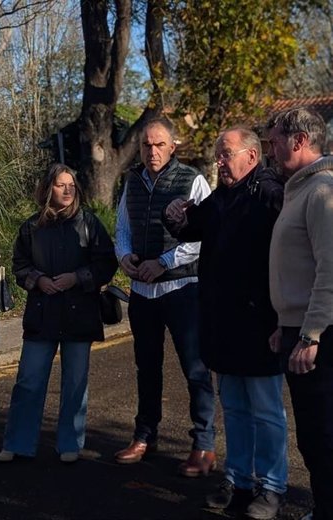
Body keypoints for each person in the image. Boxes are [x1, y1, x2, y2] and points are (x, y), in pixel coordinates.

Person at [164, 127, 287, 519]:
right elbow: (191, 226)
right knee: (233, 407)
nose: (219, 161)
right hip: (222, 322)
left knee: (267, 410)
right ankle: (239, 480)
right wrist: (175, 219)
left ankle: (271, 487)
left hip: (262, 322)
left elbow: (292, 257)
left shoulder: (272, 194)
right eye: (218, 154)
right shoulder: (222, 196)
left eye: (226, 154)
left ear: (251, 157)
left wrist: (283, 319)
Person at [114, 118, 217, 476]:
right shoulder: (133, 181)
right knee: (147, 367)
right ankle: (145, 435)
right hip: (143, 291)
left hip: (182, 289)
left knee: (195, 368)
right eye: (146, 145)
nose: (151, 151)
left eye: (159, 145)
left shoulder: (192, 180)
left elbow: (205, 236)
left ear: (173, 146)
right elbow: (122, 227)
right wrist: (124, 257)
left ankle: (204, 443)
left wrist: (164, 262)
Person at [0, 163, 117, 464]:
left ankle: (70, 443)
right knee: (29, 380)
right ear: (48, 188)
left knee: (75, 382)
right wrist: (38, 280)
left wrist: (79, 277)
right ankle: (18, 442)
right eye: (61, 185)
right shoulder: (31, 227)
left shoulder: (89, 222)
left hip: (79, 312)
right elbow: (19, 264)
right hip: (42, 312)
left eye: (71, 184)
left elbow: (106, 263)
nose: (67, 190)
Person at [266, 106, 333, 520]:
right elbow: (298, 268)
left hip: (319, 337)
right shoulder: (299, 189)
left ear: (300, 140)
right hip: (296, 328)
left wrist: (310, 335)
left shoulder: (322, 191)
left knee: (323, 433)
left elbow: (330, 269)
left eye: (274, 141)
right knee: (311, 434)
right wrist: (284, 324)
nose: (271, 149)